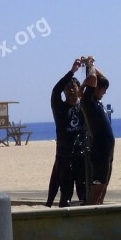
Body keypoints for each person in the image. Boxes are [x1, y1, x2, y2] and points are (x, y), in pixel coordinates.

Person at [46, 58, 87, 207]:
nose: (70, 89)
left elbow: (92, 89)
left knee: (84, 192)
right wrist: (72, 72)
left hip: (82, 156)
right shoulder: (59, 108)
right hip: (65, 157)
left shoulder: (84, 107)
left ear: (79, 89)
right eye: (67, 87)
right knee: (66, 193)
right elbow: (55, 91)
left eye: (74, 86)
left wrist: (89, 67)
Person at [79, 56, 114, 205]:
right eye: (103, 90)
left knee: (104, 184)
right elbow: (93, 77)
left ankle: (98, 209)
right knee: (98, 186)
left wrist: (91, 64)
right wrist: (89, 64)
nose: (104, 93)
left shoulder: (95, 100)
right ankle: (89, 210)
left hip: (107, 149)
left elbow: (100, 78)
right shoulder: (87, 100)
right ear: (96, 89)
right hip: (99, 149)